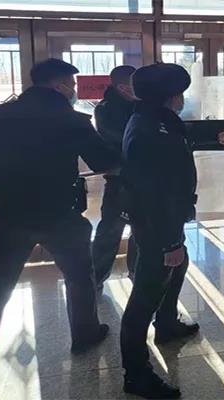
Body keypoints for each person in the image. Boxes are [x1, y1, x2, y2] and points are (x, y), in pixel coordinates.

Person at [0, 58, 119, 382]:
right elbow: (104, 161)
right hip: (62, 213)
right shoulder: (72, 120)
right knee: (79, 277)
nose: (73, 91)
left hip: (11, 214)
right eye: (71, 84)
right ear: (58, 85)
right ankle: (85, 334)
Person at [120, 63, 224, 398]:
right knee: (145, 297)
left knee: (178, 265)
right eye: (180, 92)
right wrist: (169, 242)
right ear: (170, 95)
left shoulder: (152, 120)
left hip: (158, 221)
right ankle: (136, 374)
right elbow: (158, 193)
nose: (183, 98)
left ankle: (167, 323)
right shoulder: (153, 131)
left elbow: (179, 149)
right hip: (157, 226)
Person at [92, 65, 138, 293]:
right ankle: (96, 277)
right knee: (110, 230)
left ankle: (137, 273)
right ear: (122, 87)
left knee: (141, 229)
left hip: (142, 177)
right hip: (118, 178)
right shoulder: (105, 109)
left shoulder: (140, 105)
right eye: (133, 84)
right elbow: (121, 138)